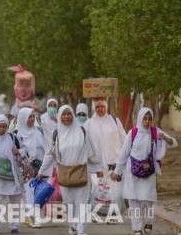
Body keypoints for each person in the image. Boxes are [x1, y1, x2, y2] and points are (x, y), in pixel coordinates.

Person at [37, 105, 103, 235]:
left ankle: (81, 229)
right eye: (64, 114)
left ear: (73, 115)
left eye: (69, 114)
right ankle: (73, 224)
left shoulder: (82, 131)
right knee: (68, 202)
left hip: (81, 172)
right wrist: (41, 171)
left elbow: (91, 153)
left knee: (82, 202)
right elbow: (49, 154)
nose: (67, 117)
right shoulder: (56, 134)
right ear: (60, 116)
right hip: (64, 173)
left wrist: (98, 169)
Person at [111, 107, 178, 235]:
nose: (147, 122)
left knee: (148, 200)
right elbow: (124, 154)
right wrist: (117, 171)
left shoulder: (155, 132)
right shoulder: (133, 133)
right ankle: (137, 229)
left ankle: (148, 222)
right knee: (134, 201)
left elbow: (173, 143)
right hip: (133, 173)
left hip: (149, 173)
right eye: (144, 119)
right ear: (140, 119)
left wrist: (164, 137)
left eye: (149, 119)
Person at [15, 107, 47, 228]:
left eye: (33, 116)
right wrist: (23, 153)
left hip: (39, 167)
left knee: (38, 193)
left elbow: (45, 149)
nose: (32, 119)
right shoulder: (17, 134)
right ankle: (33, 218)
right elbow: (15, 151)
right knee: (29, 192)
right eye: (29, 117)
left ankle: (33, 216)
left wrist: (47, 166)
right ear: (23, 118)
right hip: (25, 168)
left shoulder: (38, 132)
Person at [84, 99, 126, 172]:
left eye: (102, 106)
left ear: (106, 106)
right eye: (97, 107)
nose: (100, 108)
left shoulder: (114, 121)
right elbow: (83, 143)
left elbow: (124, 140)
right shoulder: (89, 124)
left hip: (114, 166)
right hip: (95, 167)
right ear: (94, 108)